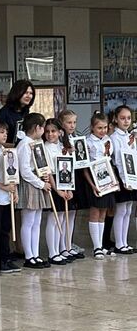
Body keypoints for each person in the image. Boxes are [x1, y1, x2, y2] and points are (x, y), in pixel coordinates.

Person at [16, 113, 51, 269]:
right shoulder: (25, 144)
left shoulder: (34, 143)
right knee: (28, 221)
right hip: (30, 184)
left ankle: (35, 254)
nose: (43, 131)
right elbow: (24, 170)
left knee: (36, 222)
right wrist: (40, 183)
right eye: (43, 127)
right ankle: (28, 255)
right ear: (38, 127)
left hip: (36, 182)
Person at [85, 111, 117, 260]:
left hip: (106, 179)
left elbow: (109, 161)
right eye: (99, 128)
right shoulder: (88, 142)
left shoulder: (108, 140)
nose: (102, 131)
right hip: (93, 180)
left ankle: (101, 245)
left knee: (103, 212)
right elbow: (85, 168)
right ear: (92, 128)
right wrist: (92, 185)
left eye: (105, 127)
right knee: (95, 212)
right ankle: (96, 246)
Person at [43, 118, 74, 265]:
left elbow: (68, 168)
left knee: (61, 218)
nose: (50, 134)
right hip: (54, 182)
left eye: (53, 131)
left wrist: (69, 188)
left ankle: (61, 249)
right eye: (47, 131)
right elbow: (49, 172)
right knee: (53, 219)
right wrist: (58, 190)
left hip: (64, 182)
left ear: (60, 132)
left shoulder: (62, 147)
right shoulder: (45, 148)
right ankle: (52, 252)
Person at [58, 109, 87, 261]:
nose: (72, 125)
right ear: (61, 123)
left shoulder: (76, 137)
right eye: (69, 122)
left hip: (76, 175)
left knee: (72, 213)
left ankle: (68, 244)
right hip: (65, 175)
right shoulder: (60, 139)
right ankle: (61, 246)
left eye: (74, 122)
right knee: (64, 213)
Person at [110, 105, 135, 255]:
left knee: (128, 209)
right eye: (122, 118)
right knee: (121, 209)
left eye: (128, 118)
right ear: (116, 119)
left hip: (132, 175)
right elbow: (119, 160)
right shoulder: (115, 137)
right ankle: (119, 243)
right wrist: (124, 180)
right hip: (121, 175)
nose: (126, 121)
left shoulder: (129, 135)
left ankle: (125, 242)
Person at [0, 123, 21, 274]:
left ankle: (6, 257)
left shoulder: (6, 151)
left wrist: (15, 191)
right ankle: (0, 259)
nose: (5, 135)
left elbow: (13, 175)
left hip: (7, 195)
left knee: (6, 228)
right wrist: (4, 187)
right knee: (0, 230)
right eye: (1, 132)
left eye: (6, 132)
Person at [0, 80, 36, 145]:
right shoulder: (4, 113)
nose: (28, 96)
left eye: (31, 93)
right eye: (25, 93)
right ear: (17, 93)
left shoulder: (25, 111)